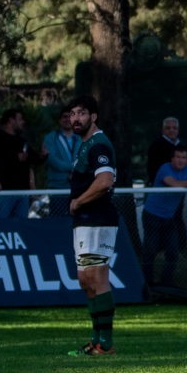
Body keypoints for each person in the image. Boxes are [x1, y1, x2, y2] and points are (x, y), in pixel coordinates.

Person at [66, 95, 119, 358]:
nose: (76, 118)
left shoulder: (98, 144)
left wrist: (78, 201)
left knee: (97, 279)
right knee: (85, 280)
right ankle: (96, 340)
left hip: (97, 218)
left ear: (93, 117)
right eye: (73, 114)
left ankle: (105, 344)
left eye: (82, 113)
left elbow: (105, 181)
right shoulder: (85, 145)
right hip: (86, 221)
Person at [142, 146, 187, 287]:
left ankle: (167, 284)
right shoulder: (165, 168)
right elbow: (175, 184)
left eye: (183, 157)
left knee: (172, 252)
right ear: (172, 158)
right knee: (151, 250)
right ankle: (147, 282)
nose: (180, 160)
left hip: (169, 217)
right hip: (153, 214)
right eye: (178, 157)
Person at [0, 108, 35, 218]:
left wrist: (42, 155)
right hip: (3, 193)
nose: (23, 122)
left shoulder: (21, 141)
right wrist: (15, 158)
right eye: (20, 119)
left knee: (20, 227)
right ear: (11, 120)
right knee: (0, 225)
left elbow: (33, 158)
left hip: (22, 193)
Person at [42, 108, 82, 215]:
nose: (67, 119)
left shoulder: (80, 137)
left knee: (77, 221)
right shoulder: (51, 138)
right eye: (64, 116)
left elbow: (83, 158)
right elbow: (51, 159)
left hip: (77, 188)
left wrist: (74, 174)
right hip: (58, 186)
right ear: (59, 120)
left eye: (70, 116)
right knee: (57, 221)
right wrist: (72, 169)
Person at [146, 116, 181, 184]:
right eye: (168, 128)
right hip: (162, 185)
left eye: (174, 128)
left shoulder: (182, 145)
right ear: (163, 130)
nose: (171, 130)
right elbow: (152, 168)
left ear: (178, 130)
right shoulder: (156, 146)